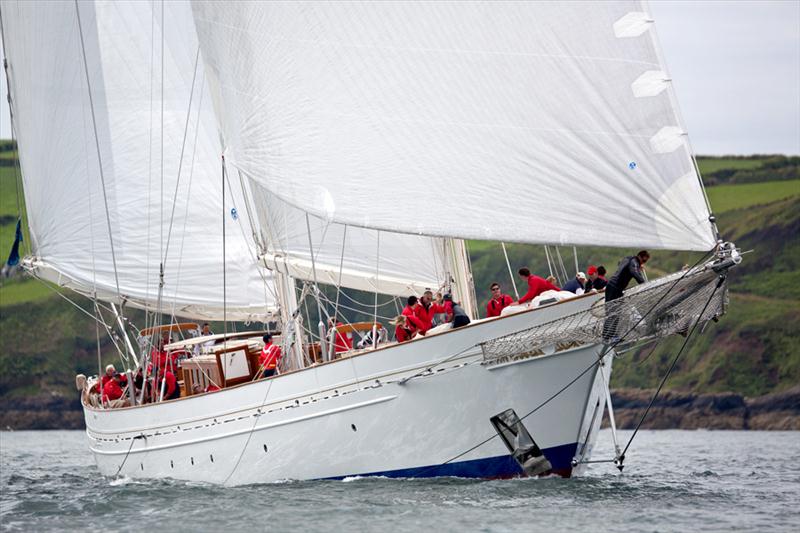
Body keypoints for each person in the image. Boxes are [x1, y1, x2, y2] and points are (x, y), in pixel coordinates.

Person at [603, 251, 650, 341]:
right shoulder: (634, 262)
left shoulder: (628, 258)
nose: (643, 263)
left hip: (612, 286)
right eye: (643, 261)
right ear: (640, 257)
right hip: (615, 288)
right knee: (614, 311)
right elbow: (634, 272)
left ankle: (608, 335)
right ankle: (609, 336)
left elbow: (621, 264)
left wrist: (638, 267)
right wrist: (644, 284)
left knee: (612, 311)